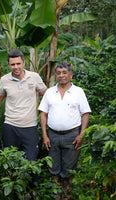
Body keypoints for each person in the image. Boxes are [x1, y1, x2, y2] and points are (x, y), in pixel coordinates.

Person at [38, 61, 91, 199]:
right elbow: (43, 114)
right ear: (55, 75)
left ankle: (67, 195)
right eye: (58, 73)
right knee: (53, 167)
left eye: (64, 73)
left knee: (69, 168)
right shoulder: (50, 92)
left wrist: (81, 134)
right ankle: (56, 195)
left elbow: (86, 113)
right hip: (52, 135)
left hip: (72, 135)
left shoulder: (78, 92)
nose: (61, 76)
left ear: (71, 75)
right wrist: (45, 135)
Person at [0, 49, 47, 162]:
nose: (16, 67)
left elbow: (47, 95)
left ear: (23, 63)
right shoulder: (4, 80)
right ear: (8, 65)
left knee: (31, 161)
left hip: (30, 127)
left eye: (18, 64)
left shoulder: (34, 77)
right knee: (10, 161)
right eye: (12, 64)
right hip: (10, 127)